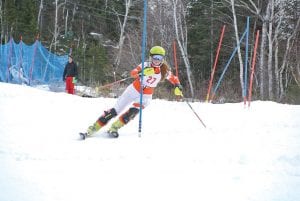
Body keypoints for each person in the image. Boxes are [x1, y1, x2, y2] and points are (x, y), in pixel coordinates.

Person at [80, 46, 183, 139]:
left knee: (132, 112)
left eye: (160, 58)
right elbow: (133, 73)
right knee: (115, 111)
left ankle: (114, 128)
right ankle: (93, 128)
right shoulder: (145, 65)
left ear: (163, 59)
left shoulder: (164, 70)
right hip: (133, 90)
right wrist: (141, 73)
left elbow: (174, 78)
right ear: (151, 57)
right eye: (155, 57)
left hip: (146, 95)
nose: (157, 60)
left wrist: (178, 86)